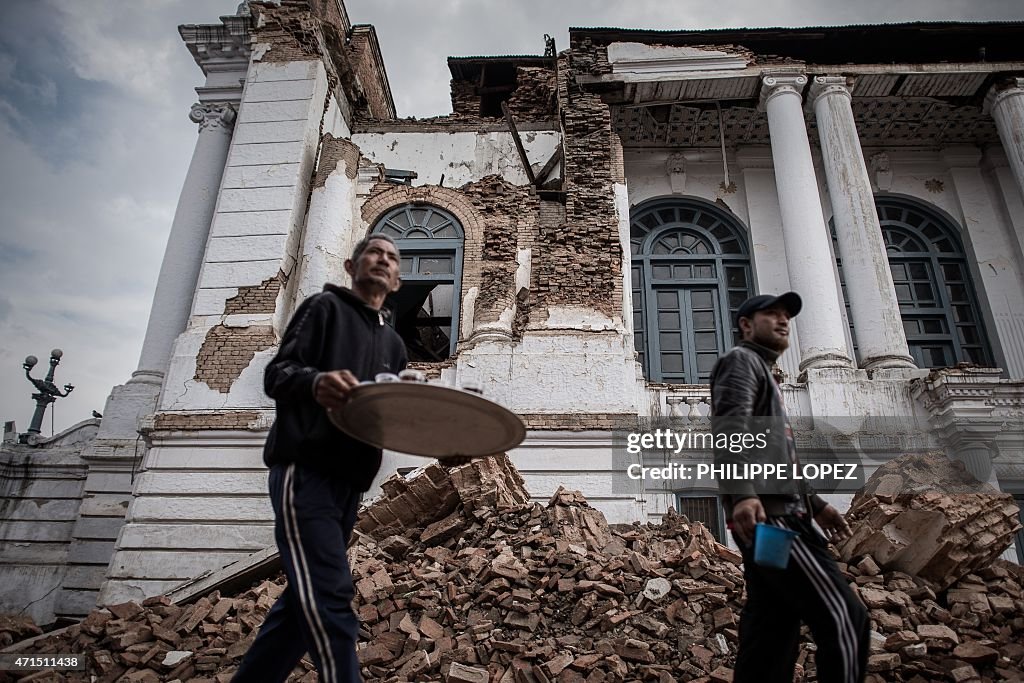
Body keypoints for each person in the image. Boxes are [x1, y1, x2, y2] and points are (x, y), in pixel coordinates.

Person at [233, 234, 407, 683]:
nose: (382, 260)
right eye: (374, 252)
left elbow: (396, 419)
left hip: (350, 483)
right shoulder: (321, 309)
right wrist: (315, 383)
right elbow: (278, 374)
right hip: (304, 471)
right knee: (330, 593)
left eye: (391, 257)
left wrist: (444, 437)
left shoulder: (394, 345)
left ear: (399, 279)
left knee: (300, 604)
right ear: (351, 266)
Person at [709, 292, 868, 683]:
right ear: (746, 324)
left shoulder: (763, 372)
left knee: (772, 626)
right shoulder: (742, 362)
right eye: (772, 314)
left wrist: (816, 505)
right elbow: (731, 430)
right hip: (775, 521)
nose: (783, 321)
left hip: (775, 519)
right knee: (845, 616)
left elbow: (775, 458)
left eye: (786, 316)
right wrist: (743, 492)